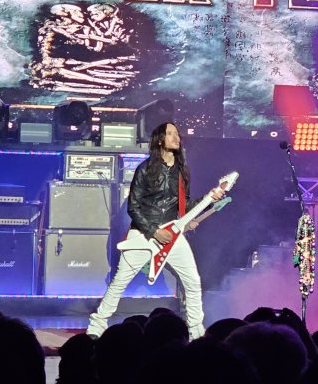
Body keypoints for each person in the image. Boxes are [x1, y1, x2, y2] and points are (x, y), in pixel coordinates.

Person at [87, 122, 228, 339]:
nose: (176, 137)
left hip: (172, 233)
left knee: (192, 281)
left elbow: (184, 206)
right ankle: (96, 327)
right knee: (120, 281)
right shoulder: (145, 169)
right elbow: (133, 207)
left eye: (177, 134)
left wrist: (209, 198)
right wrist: (154, 231)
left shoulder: (182, 172)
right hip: (143, 233)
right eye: (170, 134)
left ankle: (196, 332)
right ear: (160, 140)